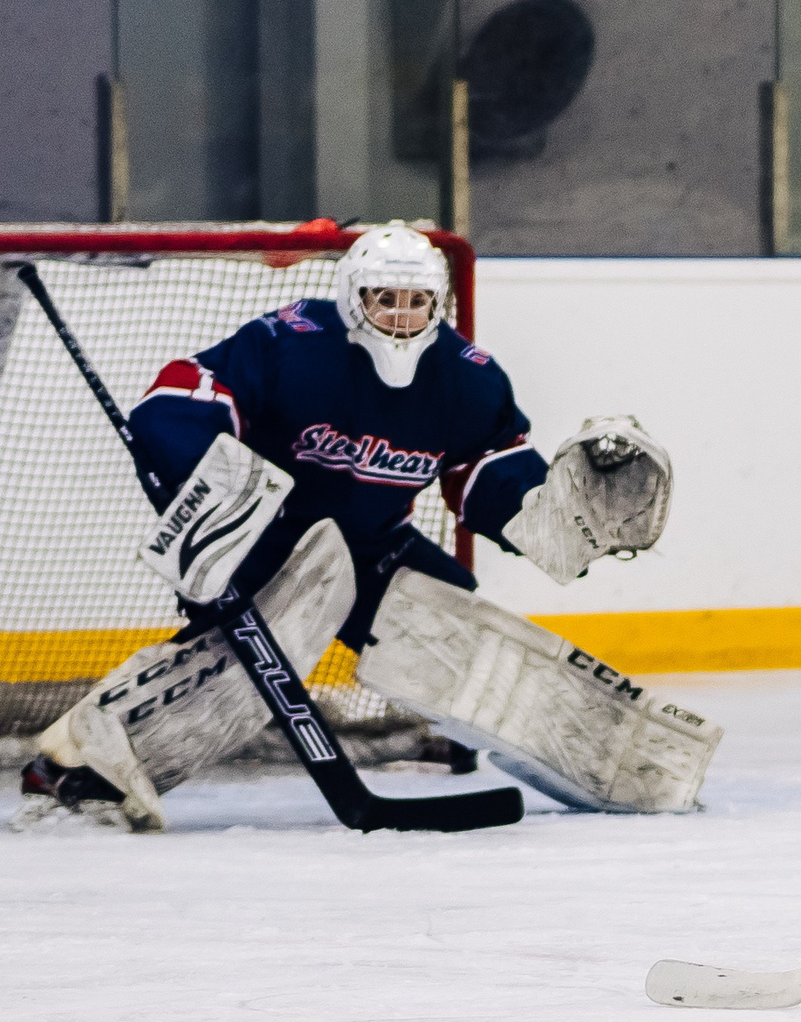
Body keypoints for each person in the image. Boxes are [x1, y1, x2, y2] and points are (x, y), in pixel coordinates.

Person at [17, 223, 711, 829]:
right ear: (355, 297)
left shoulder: (467, 380)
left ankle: (630, 762)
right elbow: (186, 390)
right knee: (241, 666)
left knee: (456, 627)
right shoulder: (295, 341)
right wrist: (198, 459)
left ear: (438, 304)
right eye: (386, 299)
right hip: (259, 541)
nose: (401, 316)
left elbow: (489, 471)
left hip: (370, 548)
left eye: (416, 302)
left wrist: (555, 513)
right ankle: (80, 755)